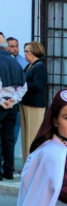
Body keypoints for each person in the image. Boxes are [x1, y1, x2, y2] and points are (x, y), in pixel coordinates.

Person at [0, 36, 27, 181]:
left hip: (2, 104)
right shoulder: (15, 62)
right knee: (9, 139)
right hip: (12, 105)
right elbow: (23, 86)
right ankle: (8, 172)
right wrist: (13, 100)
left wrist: (2, 102)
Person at [20, 41, 47, 162]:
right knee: (25, 136)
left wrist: (22, 85)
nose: (25, 54)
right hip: (25, 103)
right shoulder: (29, 66)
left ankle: (33, 163)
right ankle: (27, 162)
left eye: (27, 51)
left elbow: (38, 85)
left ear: (35, 51)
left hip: (34, 105)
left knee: (33, 135)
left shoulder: (39, 66)